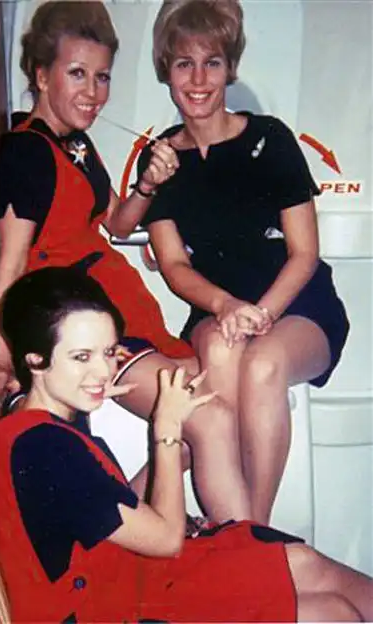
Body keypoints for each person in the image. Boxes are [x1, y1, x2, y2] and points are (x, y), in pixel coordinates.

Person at [0, 0, 254, 522]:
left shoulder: (75, 146)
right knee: (209, 418)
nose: (94, 92)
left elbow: (118, 224)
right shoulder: (27, 153)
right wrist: (0, 357)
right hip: (87, 330)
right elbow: (10, 264)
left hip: (122, 314)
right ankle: (247, 548)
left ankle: (131, 526)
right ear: (41, 75)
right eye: (77, 74)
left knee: (224, 399)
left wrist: (148, 183)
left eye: (101, 77)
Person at [0, 265, 372, 623]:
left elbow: (105, 511)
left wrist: (173, 455)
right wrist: (167, 431)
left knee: (302, 562)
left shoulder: (44, 417)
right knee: (330, 613)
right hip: (111, 609)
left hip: (128, 579)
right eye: (81, 357)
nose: (103, 371)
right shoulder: (44, 448)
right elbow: (166, 540)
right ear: (34, 360)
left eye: (108, 352)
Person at [138, 0, 350, 524]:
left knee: (263, 364)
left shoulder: (269, 138)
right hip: (217, 308)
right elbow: (173, 265)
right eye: (184, 63)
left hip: (296, 303)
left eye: (212, 62)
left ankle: (249, 530)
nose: (198, 79)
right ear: (167, 70)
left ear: (230, 68)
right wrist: (227, 306)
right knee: (222, 351)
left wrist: (262, 314)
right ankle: (240, 535)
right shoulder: (162, 158)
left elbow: (305, 253)